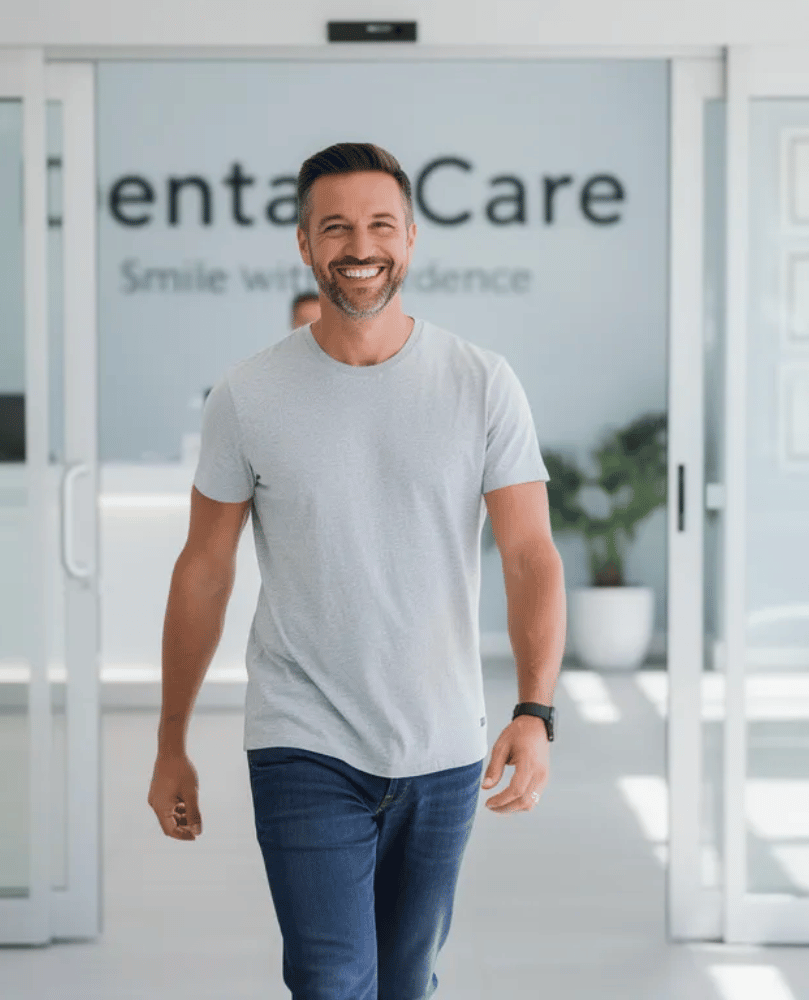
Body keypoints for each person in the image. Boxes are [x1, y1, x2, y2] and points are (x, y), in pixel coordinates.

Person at [148, 142, 565, 1000]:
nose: (359, 245)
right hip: (302, 734)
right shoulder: (248, 395)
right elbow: (204, 570)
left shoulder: (482, 382)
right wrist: (170, 739)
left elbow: (529, 554)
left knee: (407, 979)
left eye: (380, 224)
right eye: (334, 226)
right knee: (332, 976)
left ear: (410, 239)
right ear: (304, 244)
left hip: (441, 738)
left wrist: (536, 709)